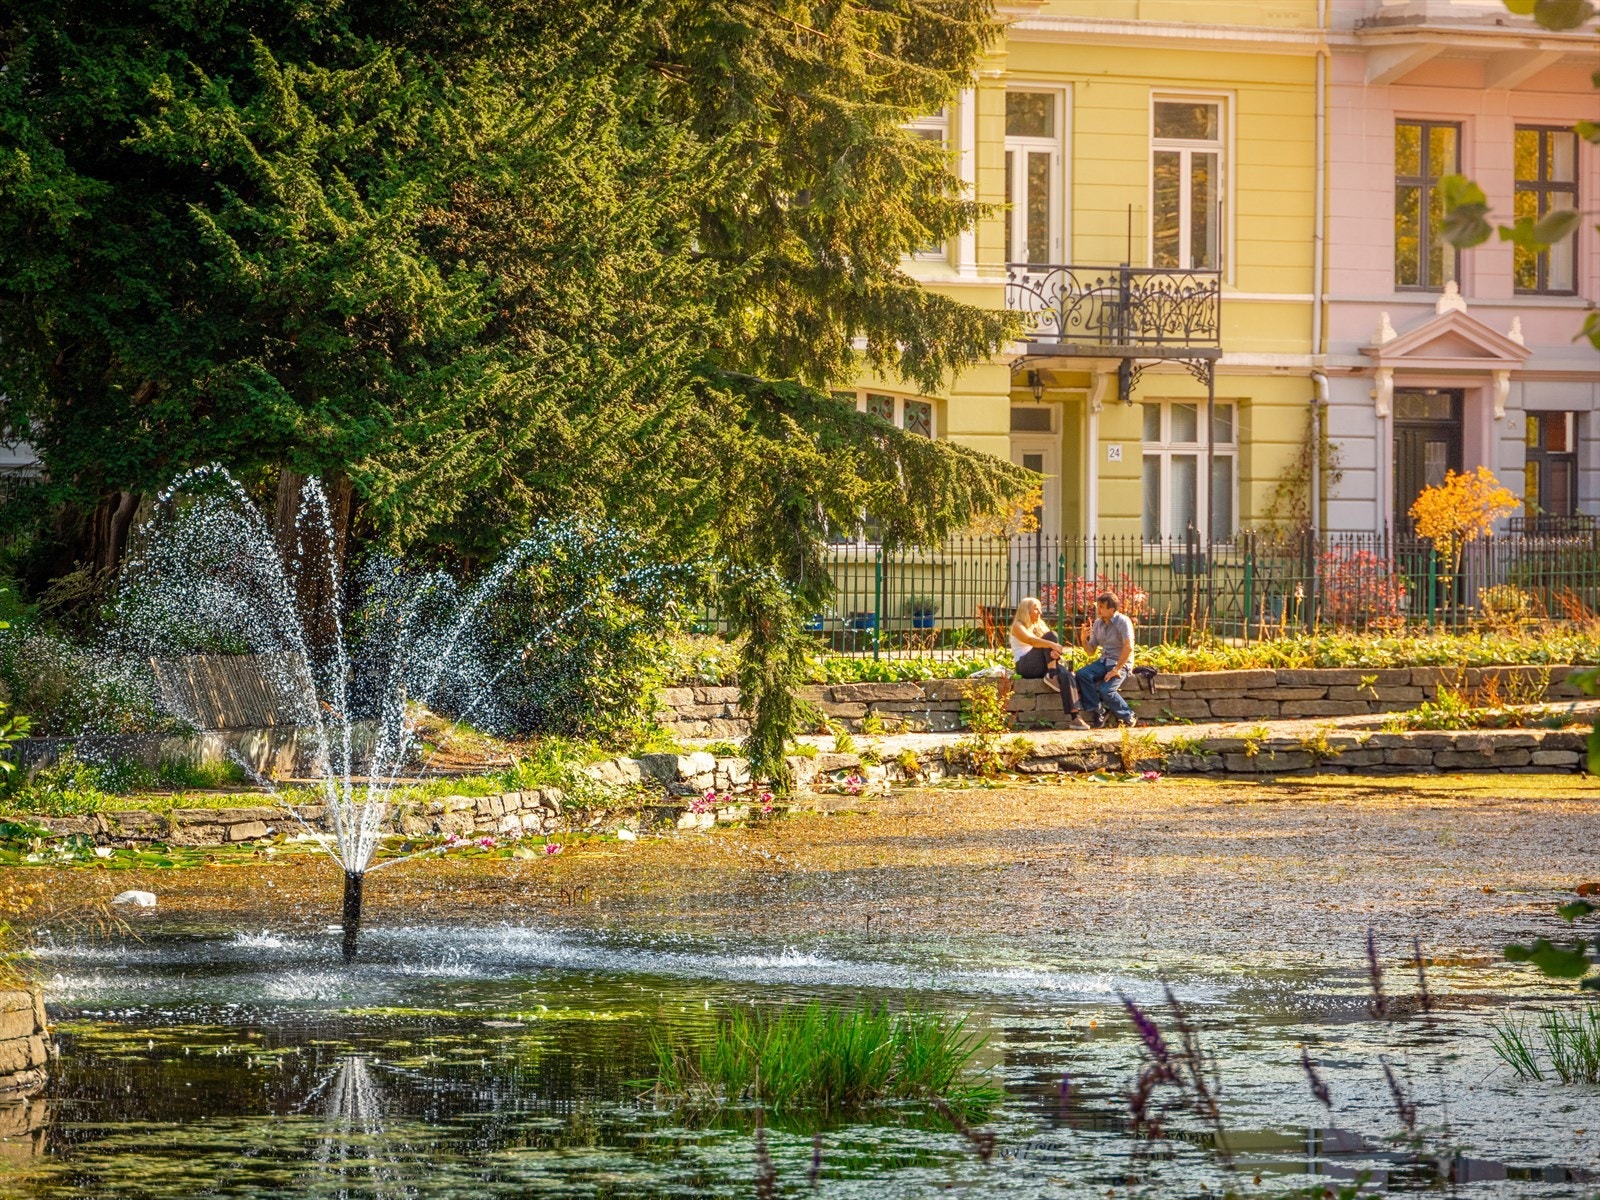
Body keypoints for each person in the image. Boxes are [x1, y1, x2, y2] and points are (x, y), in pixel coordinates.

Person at [1009, 597, 1090, 730]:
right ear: (1025, 611)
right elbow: (1031, 641)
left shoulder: (1039, 626)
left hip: (1041, 664)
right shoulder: (1018, 626)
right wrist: (1051, 645)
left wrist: (1054, 654)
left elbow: (1047, 648)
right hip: (1026, 665)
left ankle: (1075, 717)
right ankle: (1052, 675)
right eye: (1036, 609)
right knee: (1051, 636)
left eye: (1040, 608)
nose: (1040, 612)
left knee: (1065, 673)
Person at [1075, 591, 1137, 728]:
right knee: (1082, 674)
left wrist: (1116, 669)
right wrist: (1083, 639)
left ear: (1112, 610)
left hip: (1120, 662)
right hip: (1104, 661)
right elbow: (1091, 652)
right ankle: (1099, 710)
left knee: (1106, 690)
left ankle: (1128, 715)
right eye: (1098, 607)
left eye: (1102, 607)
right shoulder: (1098, 623)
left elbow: (1128, 647)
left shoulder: (1123, 622)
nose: (1098, 610)